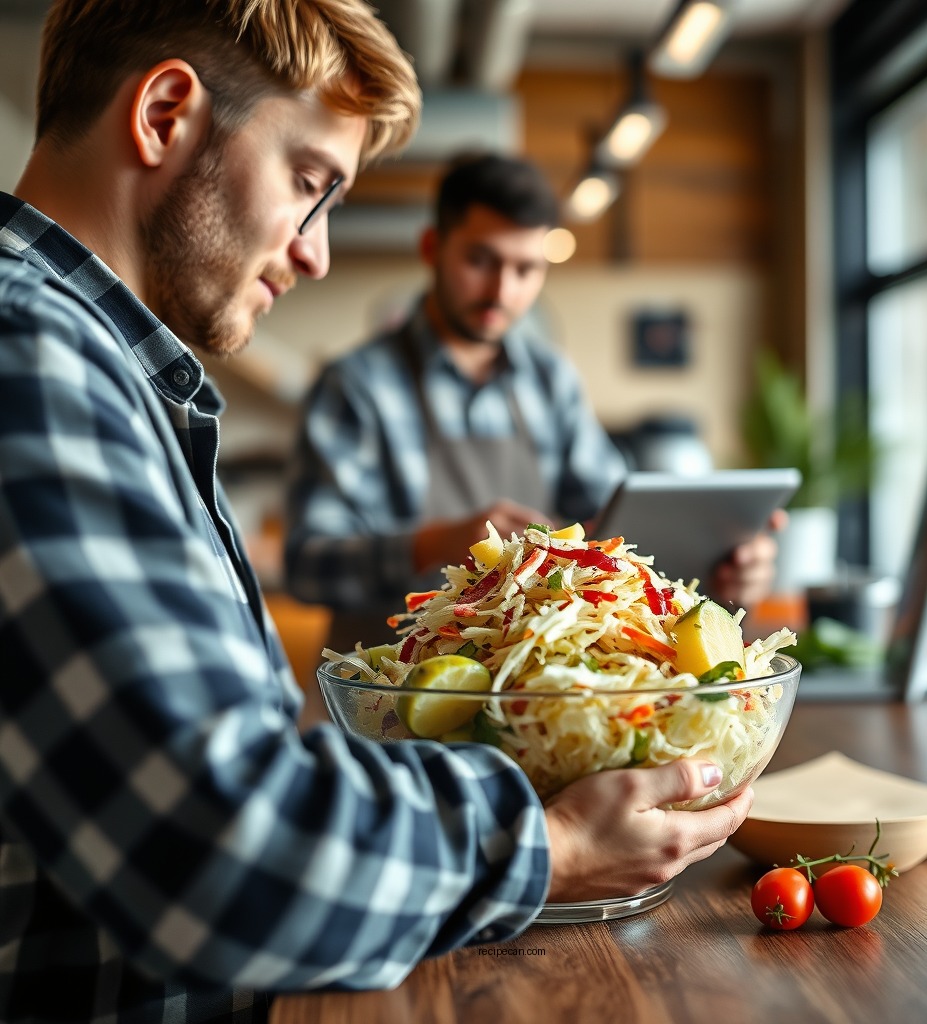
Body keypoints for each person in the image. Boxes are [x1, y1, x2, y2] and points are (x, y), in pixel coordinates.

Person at [0, 3, 753, 1022]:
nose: (313, 253)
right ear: (166, 113)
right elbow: (218, 846)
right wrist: (551, 848)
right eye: (308, 184)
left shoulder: (111, 370)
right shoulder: (33, 354)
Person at [284, 152, 784, 652]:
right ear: (432, 248)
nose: (502, 290)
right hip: (390, 698)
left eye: (526, 269)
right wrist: (431, 544)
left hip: (528, 696)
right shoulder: (355, 386)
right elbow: (307, 566)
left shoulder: (551, 381)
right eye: (480, 261)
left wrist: (717, 564)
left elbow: (617, 533)